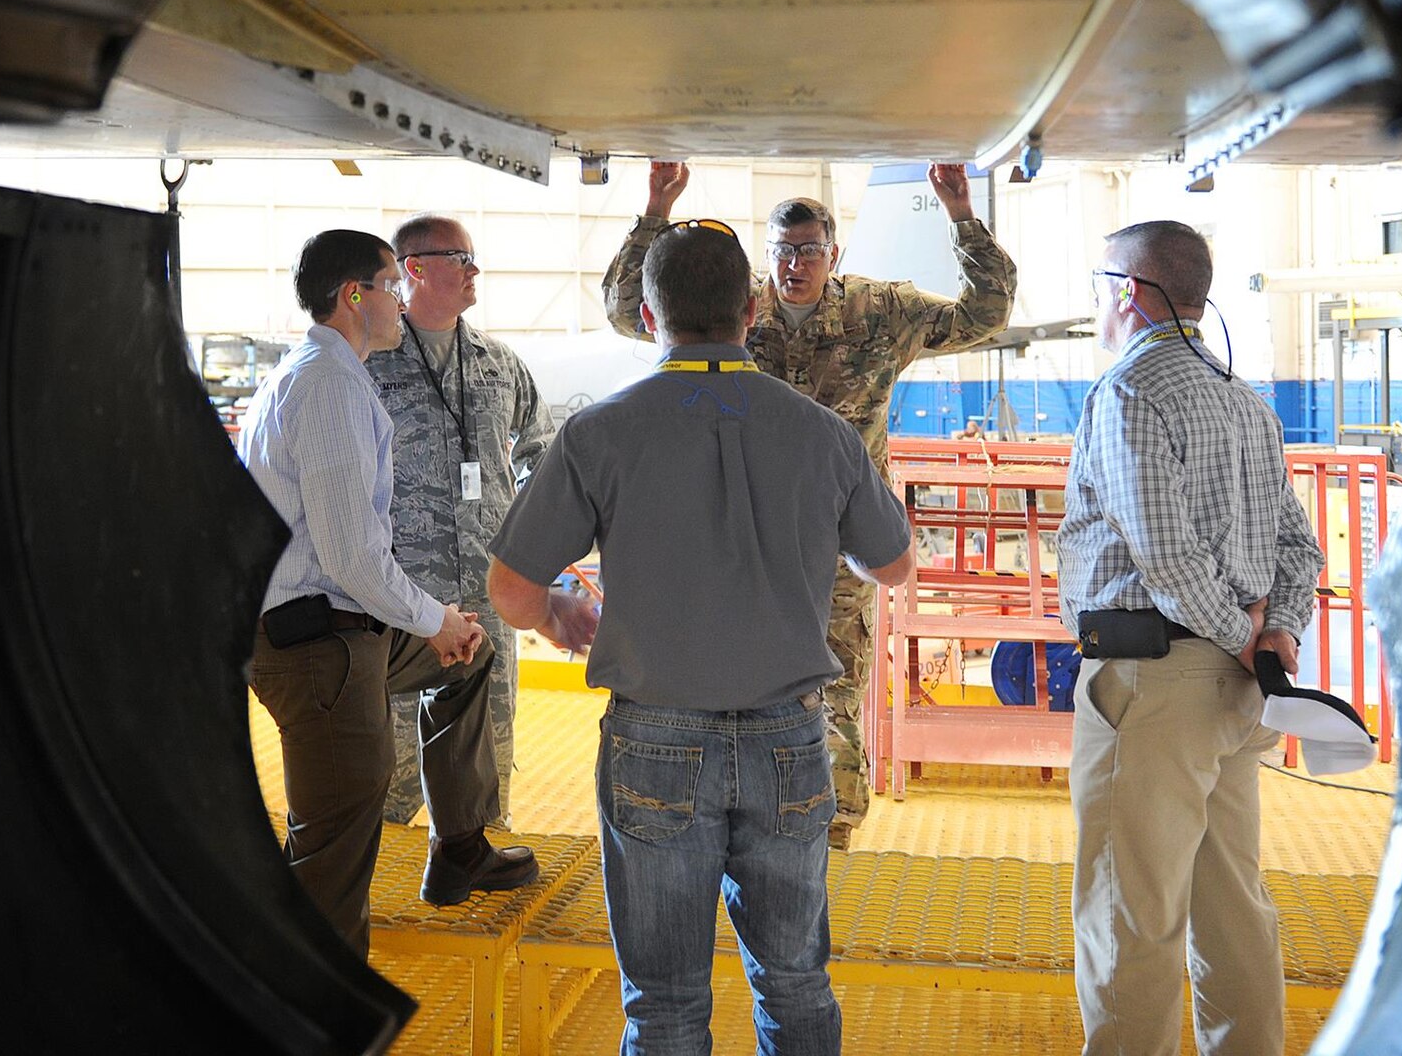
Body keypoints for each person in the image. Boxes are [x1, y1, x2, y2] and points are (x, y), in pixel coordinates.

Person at [492, 220, 914, 1054]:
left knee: (665, 1003)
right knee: (795, 982)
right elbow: (892, 565)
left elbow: (510, 590)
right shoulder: (823, 431)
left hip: (654, 737)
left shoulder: (599, 431)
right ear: (751, 312)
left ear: (651, 316)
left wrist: (556, 614)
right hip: (790, 737)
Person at [601, 161, 1014, 844]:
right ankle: (736, 816)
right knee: (735, 678)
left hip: (841, 535)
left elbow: (985, 314)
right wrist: (654, 210)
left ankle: (829, 827)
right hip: (739, 533)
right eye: (783, 251)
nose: (795, 266)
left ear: (834, 253)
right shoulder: (732, 311)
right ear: (766, 255)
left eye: (809, 251)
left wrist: (963, 216)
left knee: (837, 679)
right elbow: (627, 311)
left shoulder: (881, 311)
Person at [1054, 220, 1324, 1056]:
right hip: (1237, 697)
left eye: (1100, 284)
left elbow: (1164, 553)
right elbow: (1298, 548)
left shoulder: (1129, 393)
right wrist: (1275, 634)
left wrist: (1241, 635)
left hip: (1153, 683)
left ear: (1130, 292)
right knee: (1232, 907)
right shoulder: (1246, 401)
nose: (1097, 302)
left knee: (1129, 916)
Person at [241, 229, 538, 956]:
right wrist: (432, 618)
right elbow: (351, 556)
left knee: (466, 654)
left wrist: (442, 628)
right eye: (391, 286)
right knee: (335, 846)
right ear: (355, 296)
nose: (400, 302)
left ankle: (459, 847)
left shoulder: (324, 373)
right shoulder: (332, 386)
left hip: (343, 623)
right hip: (318, 644)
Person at [368, 213, 554, 828]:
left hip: (487, 591)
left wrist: (527, 537)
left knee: (487, 756)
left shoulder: (497, 361)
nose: (475, 270)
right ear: (414, 269)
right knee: (391, 765)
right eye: (460, 258)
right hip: (401, 598)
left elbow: (542, 452)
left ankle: (482, 853)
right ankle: (385, 862)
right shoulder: (370, 363)